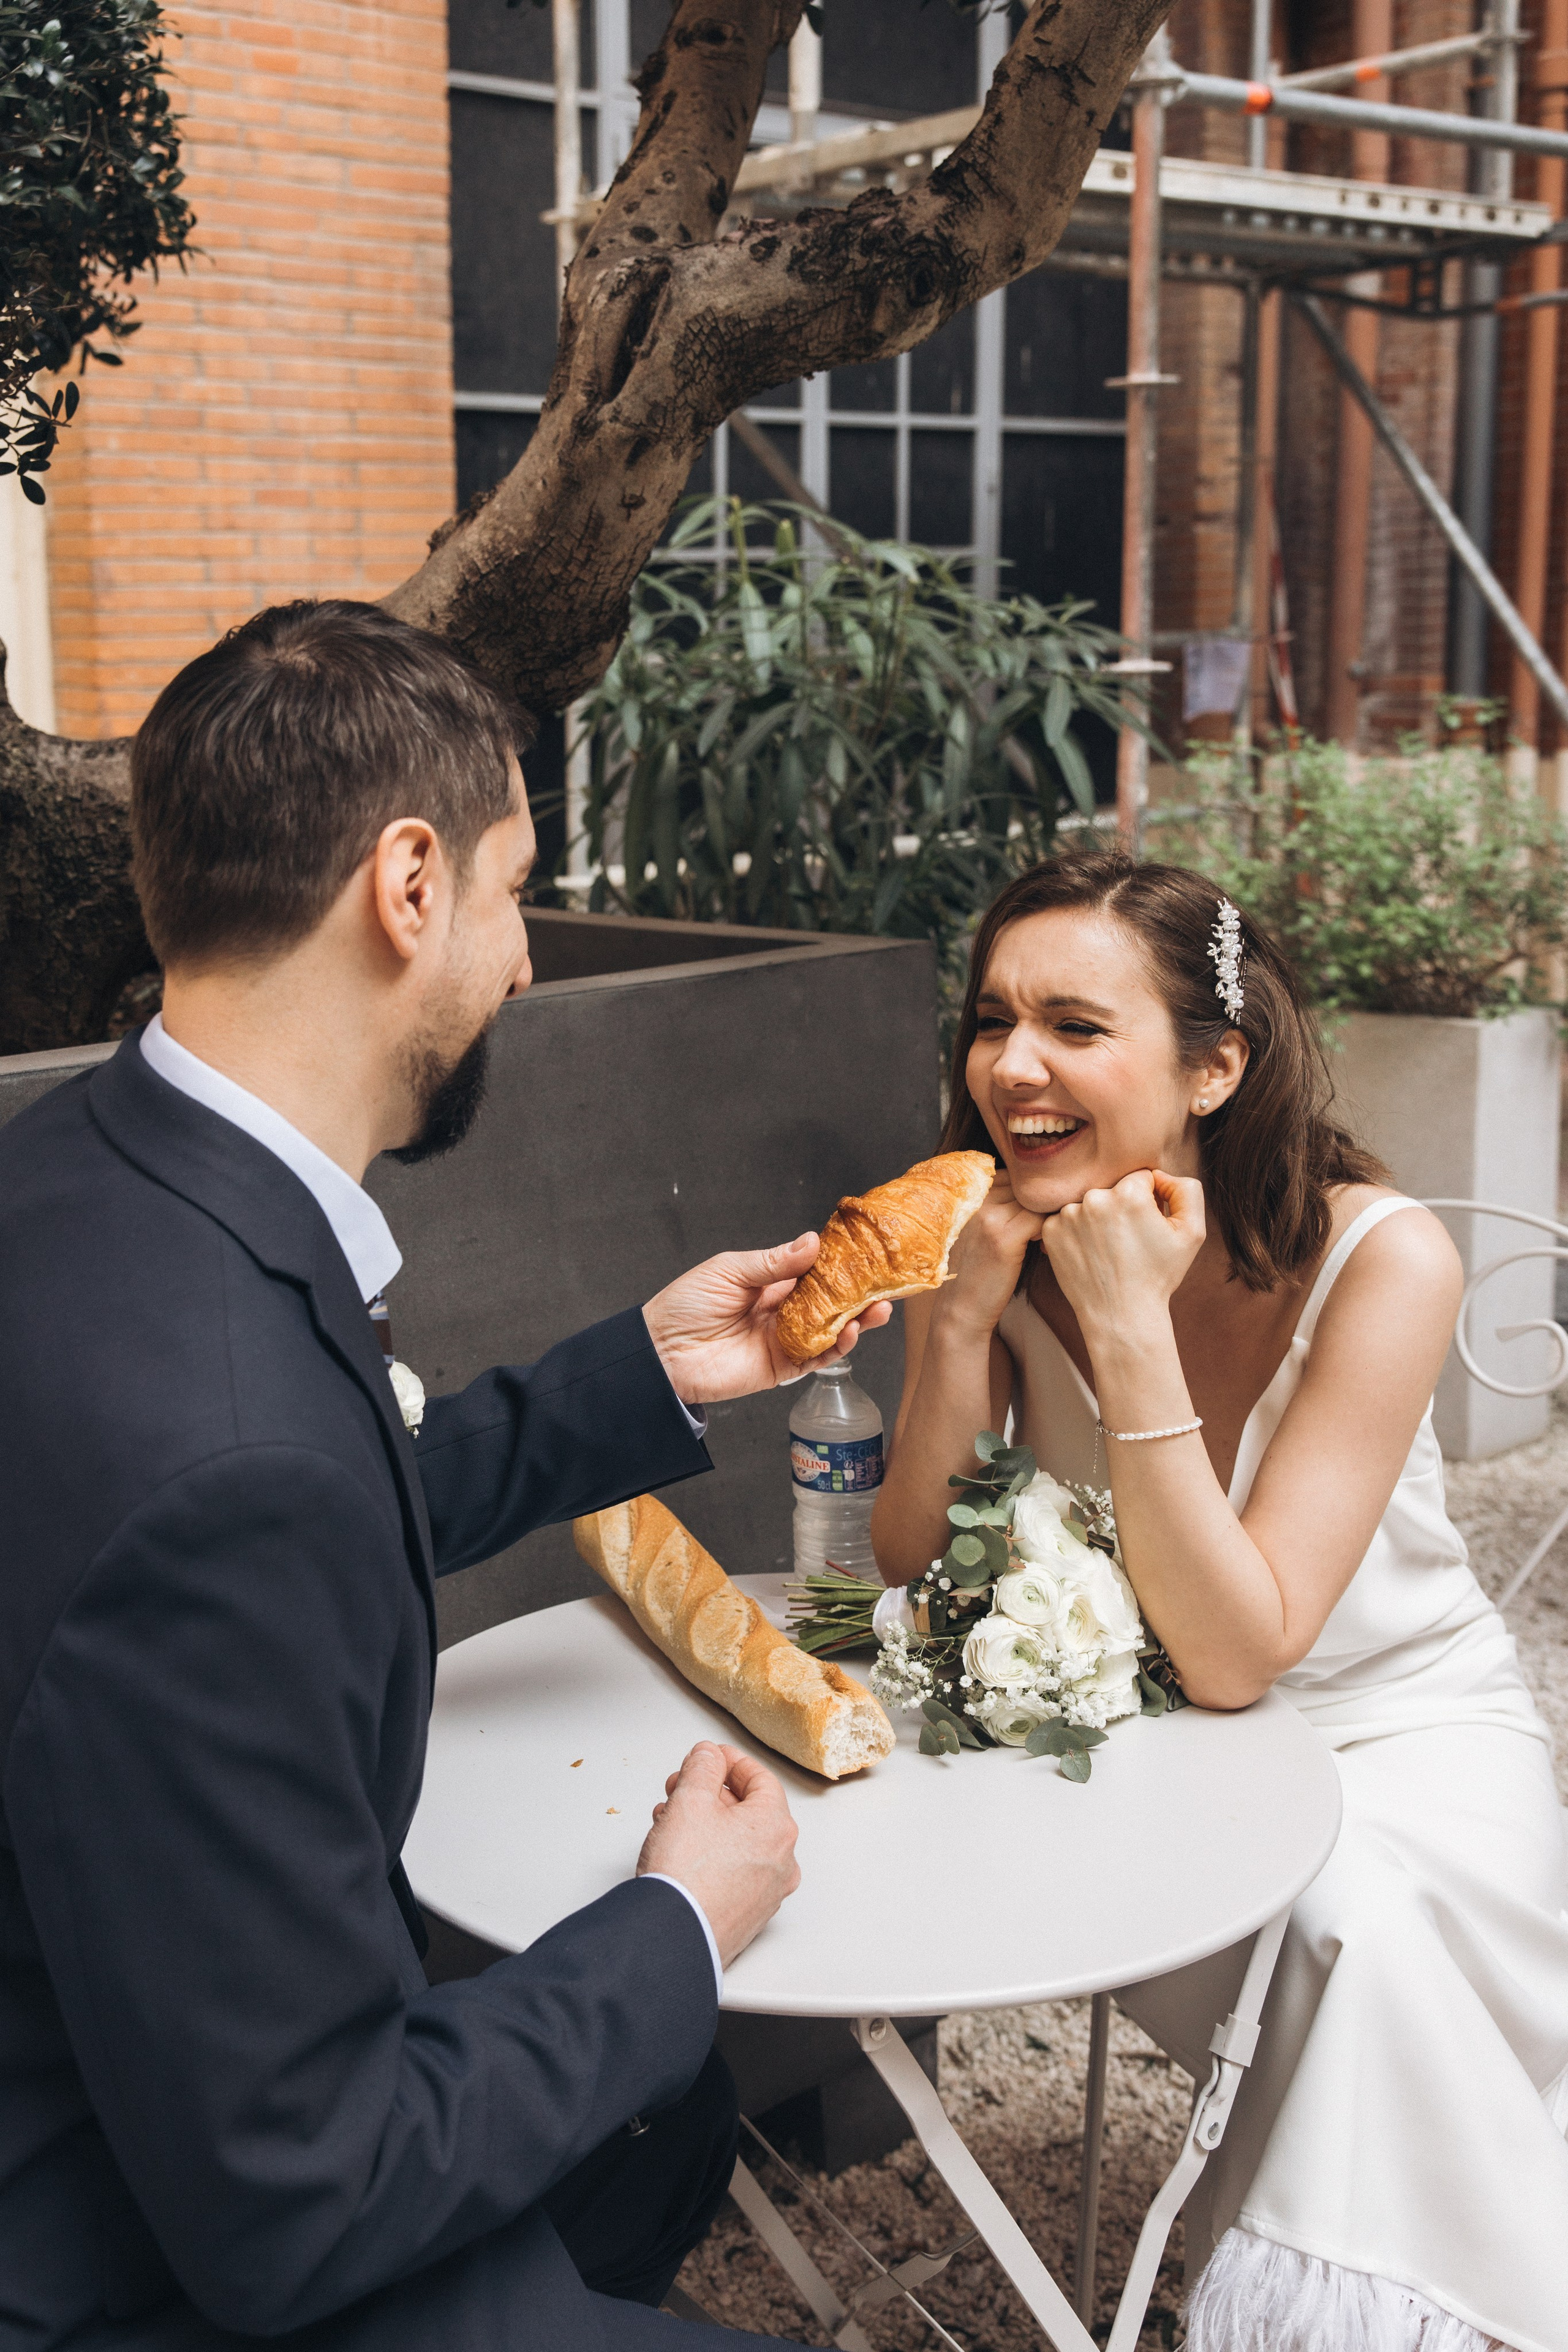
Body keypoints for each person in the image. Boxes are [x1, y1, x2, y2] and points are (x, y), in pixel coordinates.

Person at [0, 601, 878, 2351]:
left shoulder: (83, 1167)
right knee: (654, 2043)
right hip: (123, 2247)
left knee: (667, 2114)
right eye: (513, 885)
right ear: (410, 886)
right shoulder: (228, 1459)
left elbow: (307, 1483)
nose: (528, 955)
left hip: (118, 2052)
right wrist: (675, 1925)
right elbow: (301, 2197)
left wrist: (642, 1374)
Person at [873, 853, 1568, 2352]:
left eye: (1071, 1023)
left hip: (1399, 1737)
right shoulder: (997, 1232)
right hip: (1156, 1744)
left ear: (1212, 1066)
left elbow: (1245, 1650)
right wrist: (955, 1329)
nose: (1011, 1065)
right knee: (1341, 1944)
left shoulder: (1382, 1257)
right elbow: (915, 1568)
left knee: (1355, 1924)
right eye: (990, 1021)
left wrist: (1125, 1332)